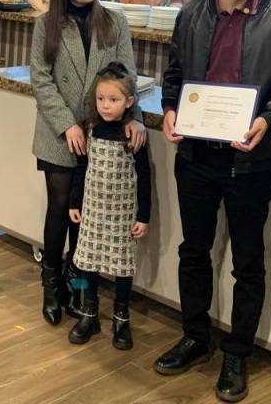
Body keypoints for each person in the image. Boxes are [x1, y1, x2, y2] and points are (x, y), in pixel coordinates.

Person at [156, 0, 271, 402]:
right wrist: (170, 109)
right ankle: (194, 337)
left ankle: (237, 354)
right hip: (195, 156)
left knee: (247, 262)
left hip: (250, 161)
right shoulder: (191, 15)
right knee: (193, 252)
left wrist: (269, 118)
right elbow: (174, 74)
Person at [29, 0, 146, 327]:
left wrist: (135, 118)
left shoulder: (114, 20)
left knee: (86, 220)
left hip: (102, 134)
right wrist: (68, 125)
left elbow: (128, 76)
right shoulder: (46, 25)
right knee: (61, 208)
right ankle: (51, 285)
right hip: (58, 132)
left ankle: (78, 285)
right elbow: (41, 79)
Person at [67, 62, 150, 350]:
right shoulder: (90, 129)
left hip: (122, 214)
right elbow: (82, 168)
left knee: (122, 266)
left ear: (129, 102)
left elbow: (145, 177)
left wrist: (144, 215)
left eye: (113, 99)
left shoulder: (133, 135)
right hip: (92, 210)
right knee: (88, 262)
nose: (105, 105)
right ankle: (89, 312)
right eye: (101, 98)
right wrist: (74, 202)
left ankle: (121, 317)